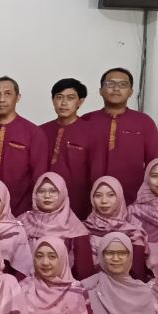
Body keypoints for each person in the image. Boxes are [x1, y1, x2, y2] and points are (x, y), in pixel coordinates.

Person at [82, 68, 158, 203]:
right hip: (92, 199)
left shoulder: (144, 122)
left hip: (133, 200)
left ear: (130, 92)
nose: (116, 89)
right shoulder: (86, 120)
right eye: (110, 84)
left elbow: (154, 163)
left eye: (123, 84)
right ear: (101, 90)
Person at [0, 77, 49, 217]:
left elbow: (39, 176)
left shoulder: (33, 133)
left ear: (18, 97)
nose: (2, 99)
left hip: (22, 212)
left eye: (8, 94)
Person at [18, 172, 95, 279]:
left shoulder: (75, 228)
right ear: (35, 194)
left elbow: (84, 273)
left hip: (65, 285)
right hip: (26, 285)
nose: (47, 196)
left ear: (63, 193)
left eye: (53, 191)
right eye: (41, 191)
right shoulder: (22, 223)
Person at [41, 78, 98, 218]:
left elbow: (96, 171)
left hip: (78, 202)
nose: (64, 103)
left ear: (80, 101)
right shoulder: (40, 131)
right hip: (44, 200)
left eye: (70, 98)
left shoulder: (91, 132)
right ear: (53, 100)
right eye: (59, 97)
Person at [83, 176, 149, 280]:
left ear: (119, 197)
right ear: (92, 198)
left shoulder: (134, 234)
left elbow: (137, 275)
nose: (104, 201)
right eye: (98, 195)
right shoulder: (82, 230)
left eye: (111, 195)